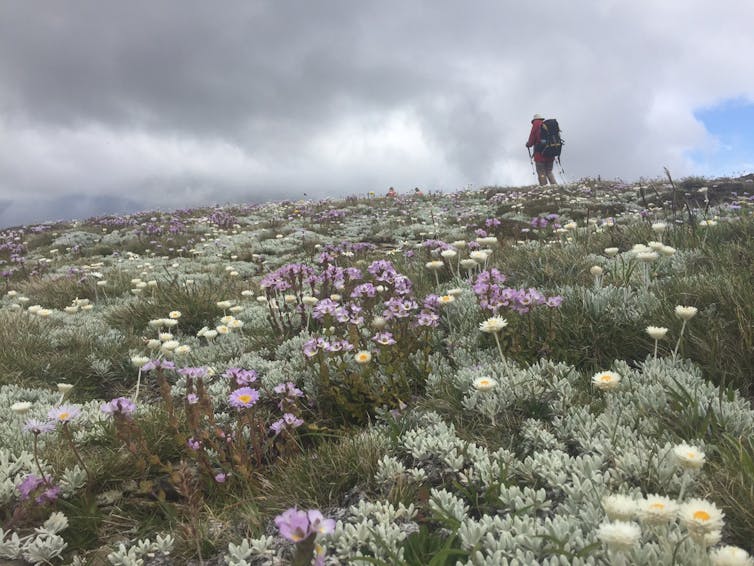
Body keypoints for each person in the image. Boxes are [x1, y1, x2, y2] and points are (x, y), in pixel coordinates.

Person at [526, 114, 557, 186]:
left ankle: (544, 187)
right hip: (550, 153)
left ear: (534, 120)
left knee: (541, 172)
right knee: (549, 171)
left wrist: (528, 144)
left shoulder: (535, 125)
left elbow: (531, 140)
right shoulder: (548, 125)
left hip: (539, 155)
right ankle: (555, 186)